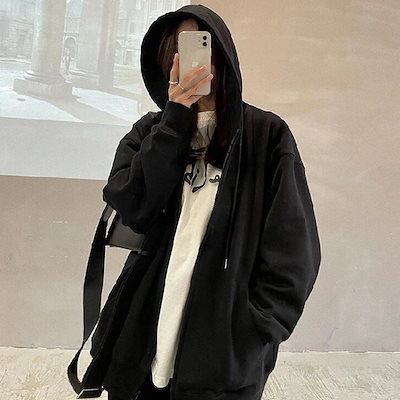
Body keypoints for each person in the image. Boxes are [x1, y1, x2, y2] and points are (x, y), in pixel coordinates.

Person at [81, 4, 321, 400]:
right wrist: (174, 120)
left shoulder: (267, 135)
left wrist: (256, 327)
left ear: (222, 54)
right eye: (175, 50)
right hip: (143, 338)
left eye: (198, 45)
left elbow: (295, 248)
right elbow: (134, 207)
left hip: (221, 356)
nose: (188, 60)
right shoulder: (150, 131)